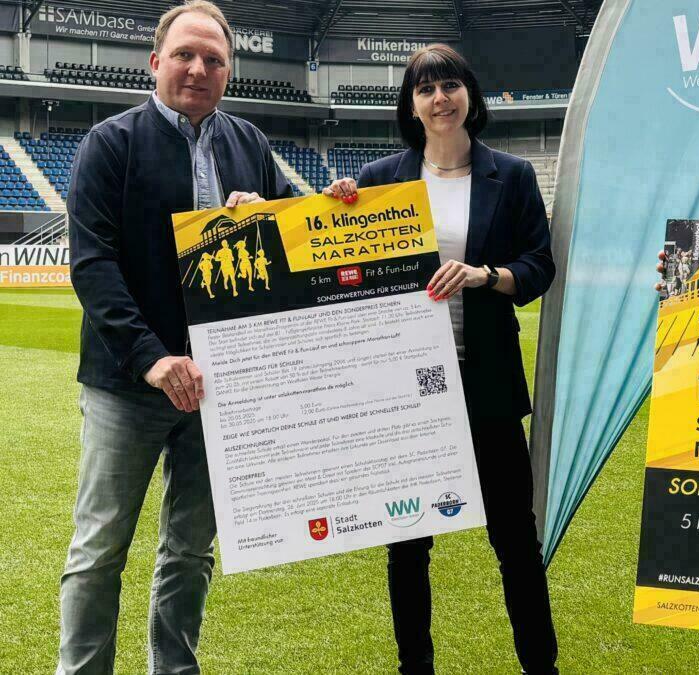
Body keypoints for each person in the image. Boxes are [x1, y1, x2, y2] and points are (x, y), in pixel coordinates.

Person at [60, 2, 291, 672]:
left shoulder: (249, 143)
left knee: (191, 550)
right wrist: (152, 358)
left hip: (220, 386)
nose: (198, 68)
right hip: (126, 383)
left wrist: (280, 215)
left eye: (214, 59)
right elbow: (93, 265)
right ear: (156, 62)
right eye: (185, 54)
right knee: (99, 549)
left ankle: (175, 668)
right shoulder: (110, 142)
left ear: (229, 72)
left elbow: (289, 251)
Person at [322, 44, 558, 675]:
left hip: (487, 383)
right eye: (425, 89)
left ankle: (542, 666)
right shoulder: (378, 180)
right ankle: (414, 668)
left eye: (451, 85)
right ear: (412, 105)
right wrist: (333, 206)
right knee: (407, 545)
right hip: (405, 388)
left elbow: (539, 266)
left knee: (515, 543)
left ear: (470, 97)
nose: (440, 98)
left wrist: (488, 275)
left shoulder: (511, 174)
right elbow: (342, 270)